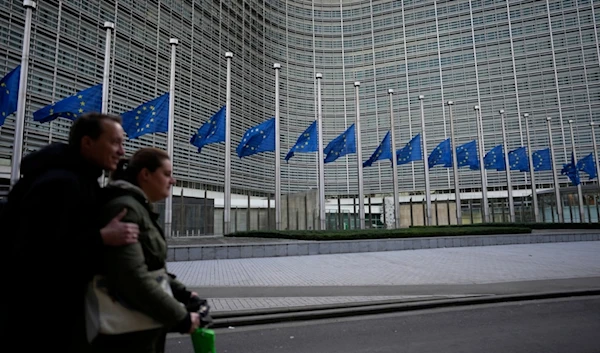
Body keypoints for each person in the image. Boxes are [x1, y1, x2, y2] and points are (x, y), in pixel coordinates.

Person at [0, 112, 140, 351]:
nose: (122, 151)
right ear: (87, 142)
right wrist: (102, 237)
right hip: (41, 319)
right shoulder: (61, 184)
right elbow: (34, 253)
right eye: (115, 142)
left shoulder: (78, 179)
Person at [89, 147, 203, 353]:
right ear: (145, 175)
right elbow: (133, 277)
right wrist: (181, 317)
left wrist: (183, 293)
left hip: (140, 332)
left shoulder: (138, 207)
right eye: (167, 174)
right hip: (127, 337)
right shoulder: (126, 209)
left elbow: (151, 266)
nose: (173, 180)